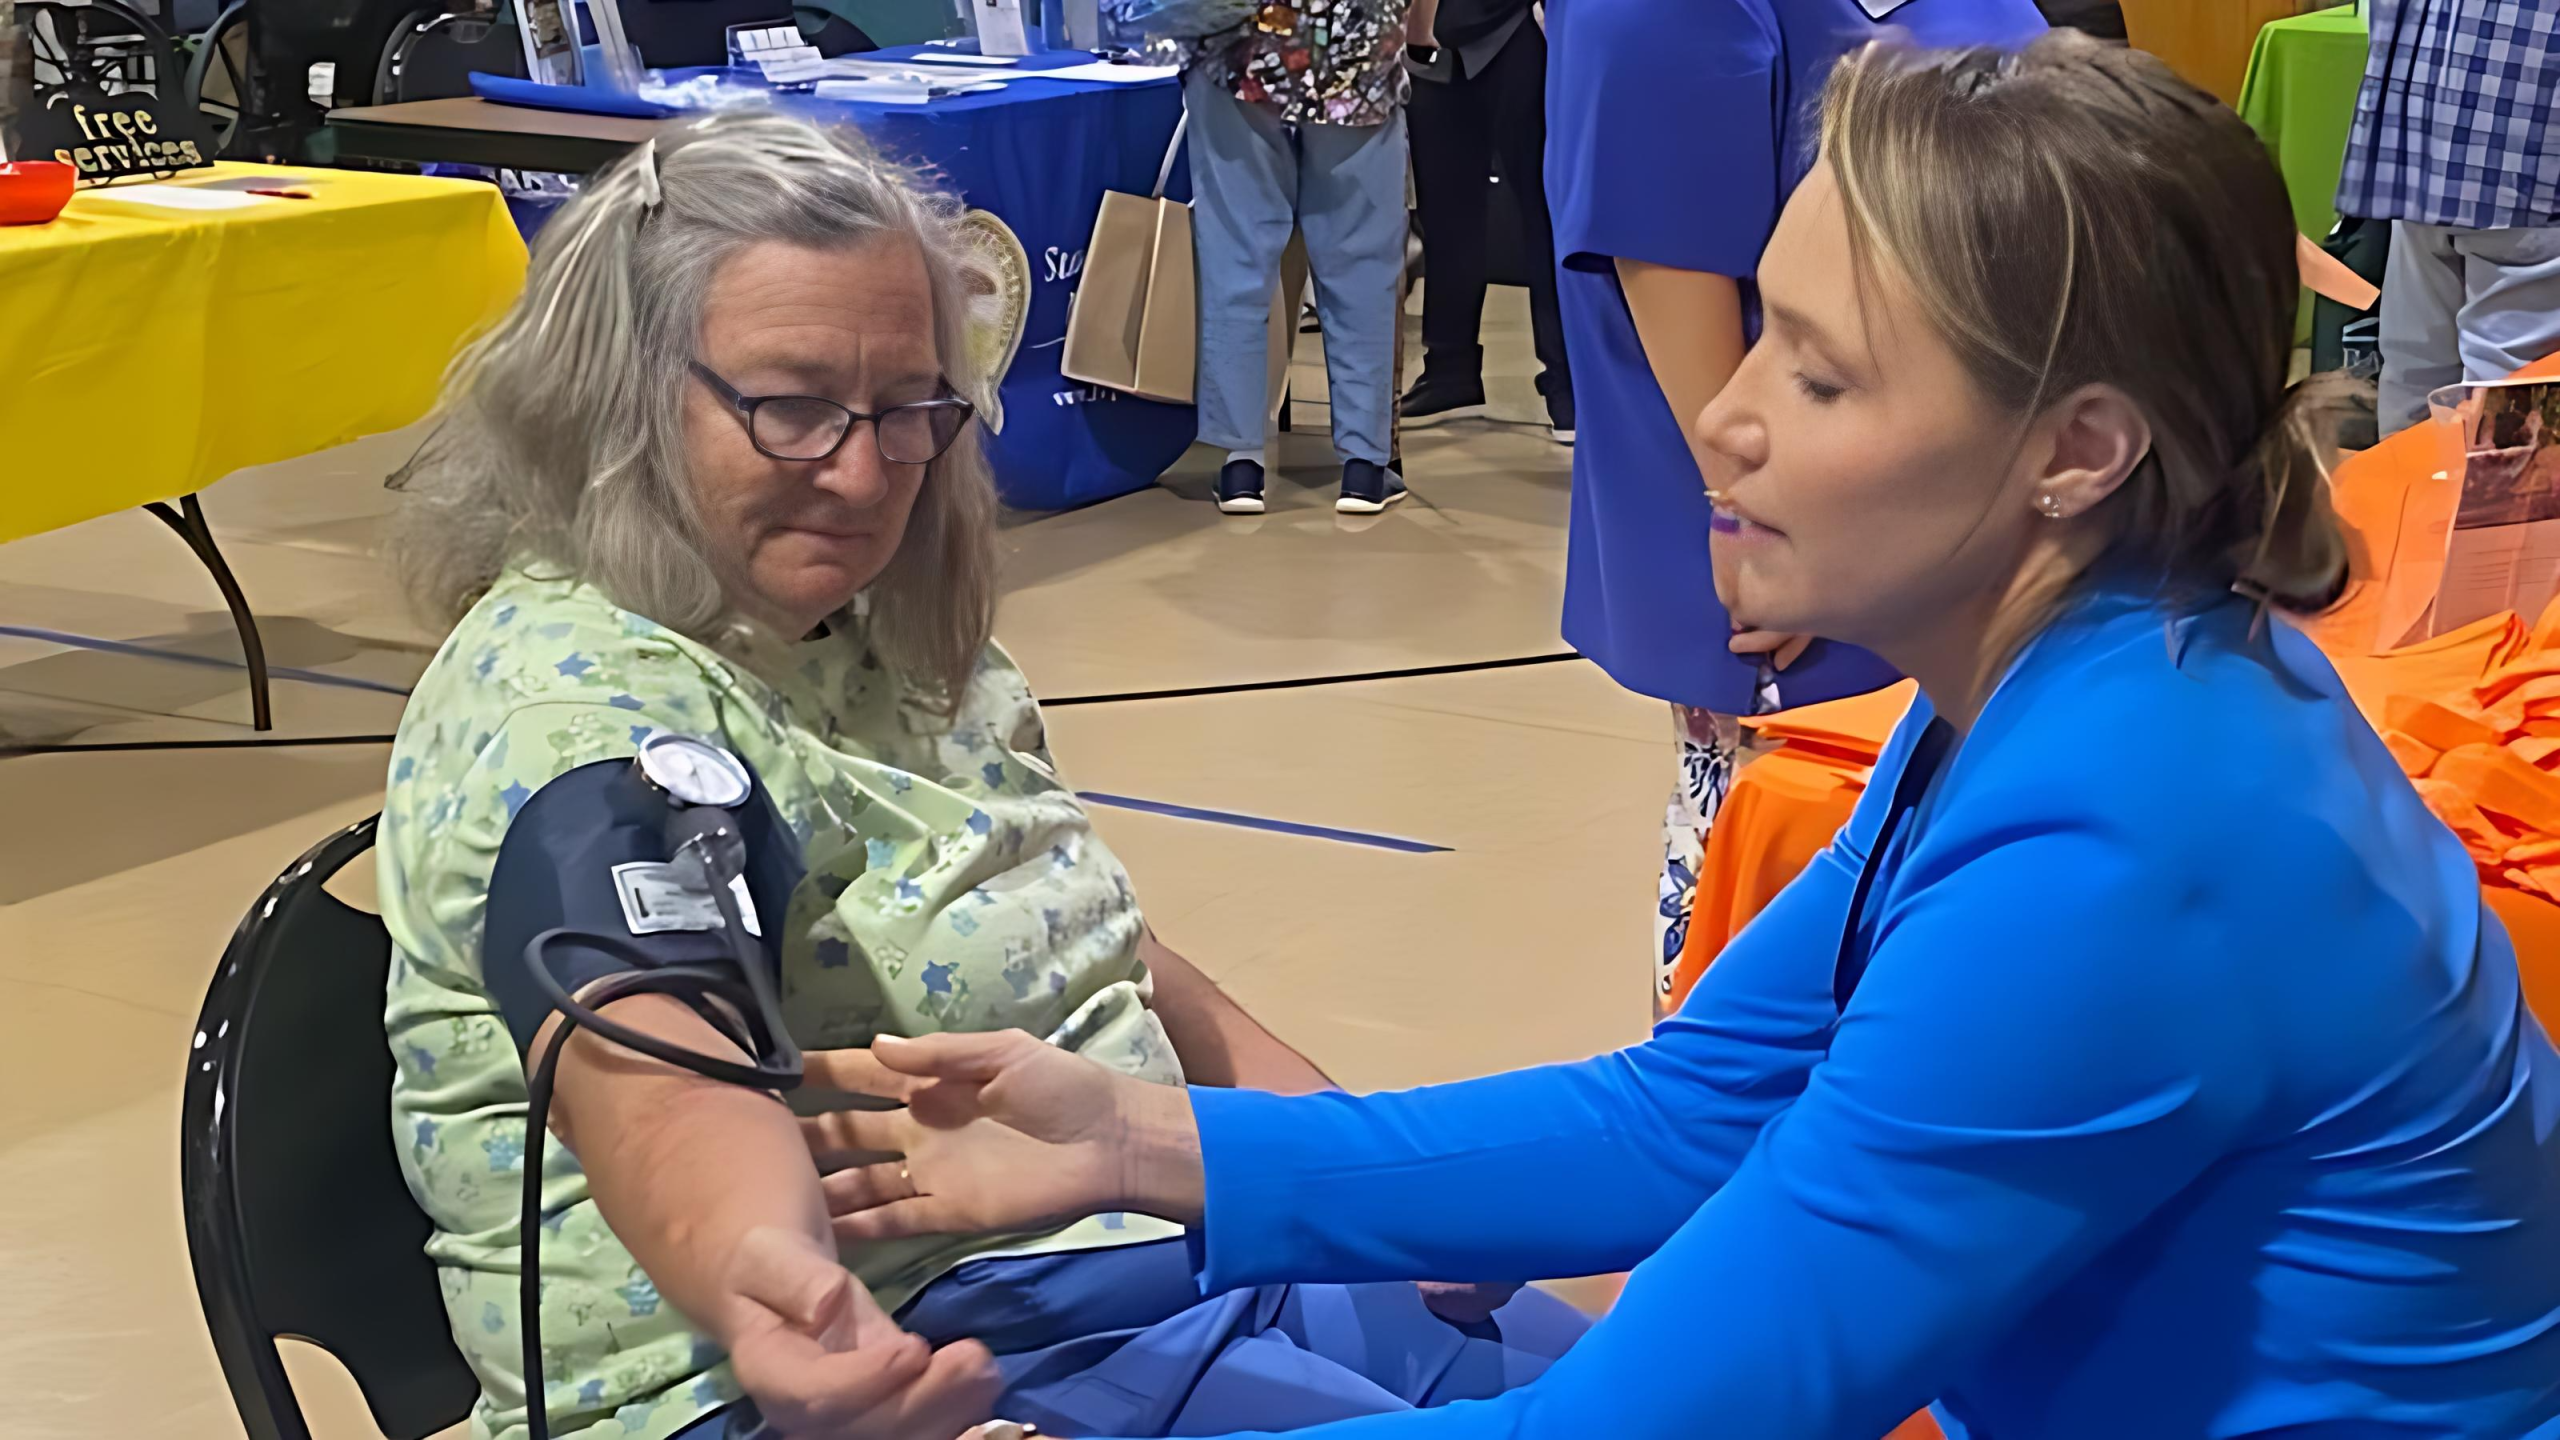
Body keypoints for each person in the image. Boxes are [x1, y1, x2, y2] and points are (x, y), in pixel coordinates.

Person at [805, 37, 2560, 1438]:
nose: (1721, 418)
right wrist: (1138, 1142)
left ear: (2076, 449)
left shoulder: (2125, 852)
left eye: (1818, 374)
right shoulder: (2090, 683)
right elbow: (1687, 1117)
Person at [379, 109, 1581, 1440]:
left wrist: (1342, 1161)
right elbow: (651, 1055)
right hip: (857, 1362)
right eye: (790, 409)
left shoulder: (868, 617)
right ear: (618, 395)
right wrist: (767, 1291)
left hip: (1122, 1261)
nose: (861, 471)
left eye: (908, 410)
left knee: (1693, 1380)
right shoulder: (575, 706)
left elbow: (1083, 938)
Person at [1540, 0, 2045, 1013]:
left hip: (1982, 523)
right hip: (1822, 530)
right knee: (1786, 919)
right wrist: (1758, 515)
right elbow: (1665, 256)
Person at [1181, 0, 1415, 516]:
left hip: (1240, 59)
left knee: (1236, 260)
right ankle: (1364, 466)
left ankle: (1241, 462)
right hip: (1356, 58)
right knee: (1361, 270)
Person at [2339, 0, 2560, 434]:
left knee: (2417, 376)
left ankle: (2406, 502)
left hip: (2424, 121)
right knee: (2514, 404)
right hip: (2532, 136)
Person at [1398, 0, 1573, 444]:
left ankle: (1566, 384)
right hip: (1426, 40)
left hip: (1516, 26)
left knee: (1542, 208)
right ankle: (1449, 366)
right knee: (1443, 207)